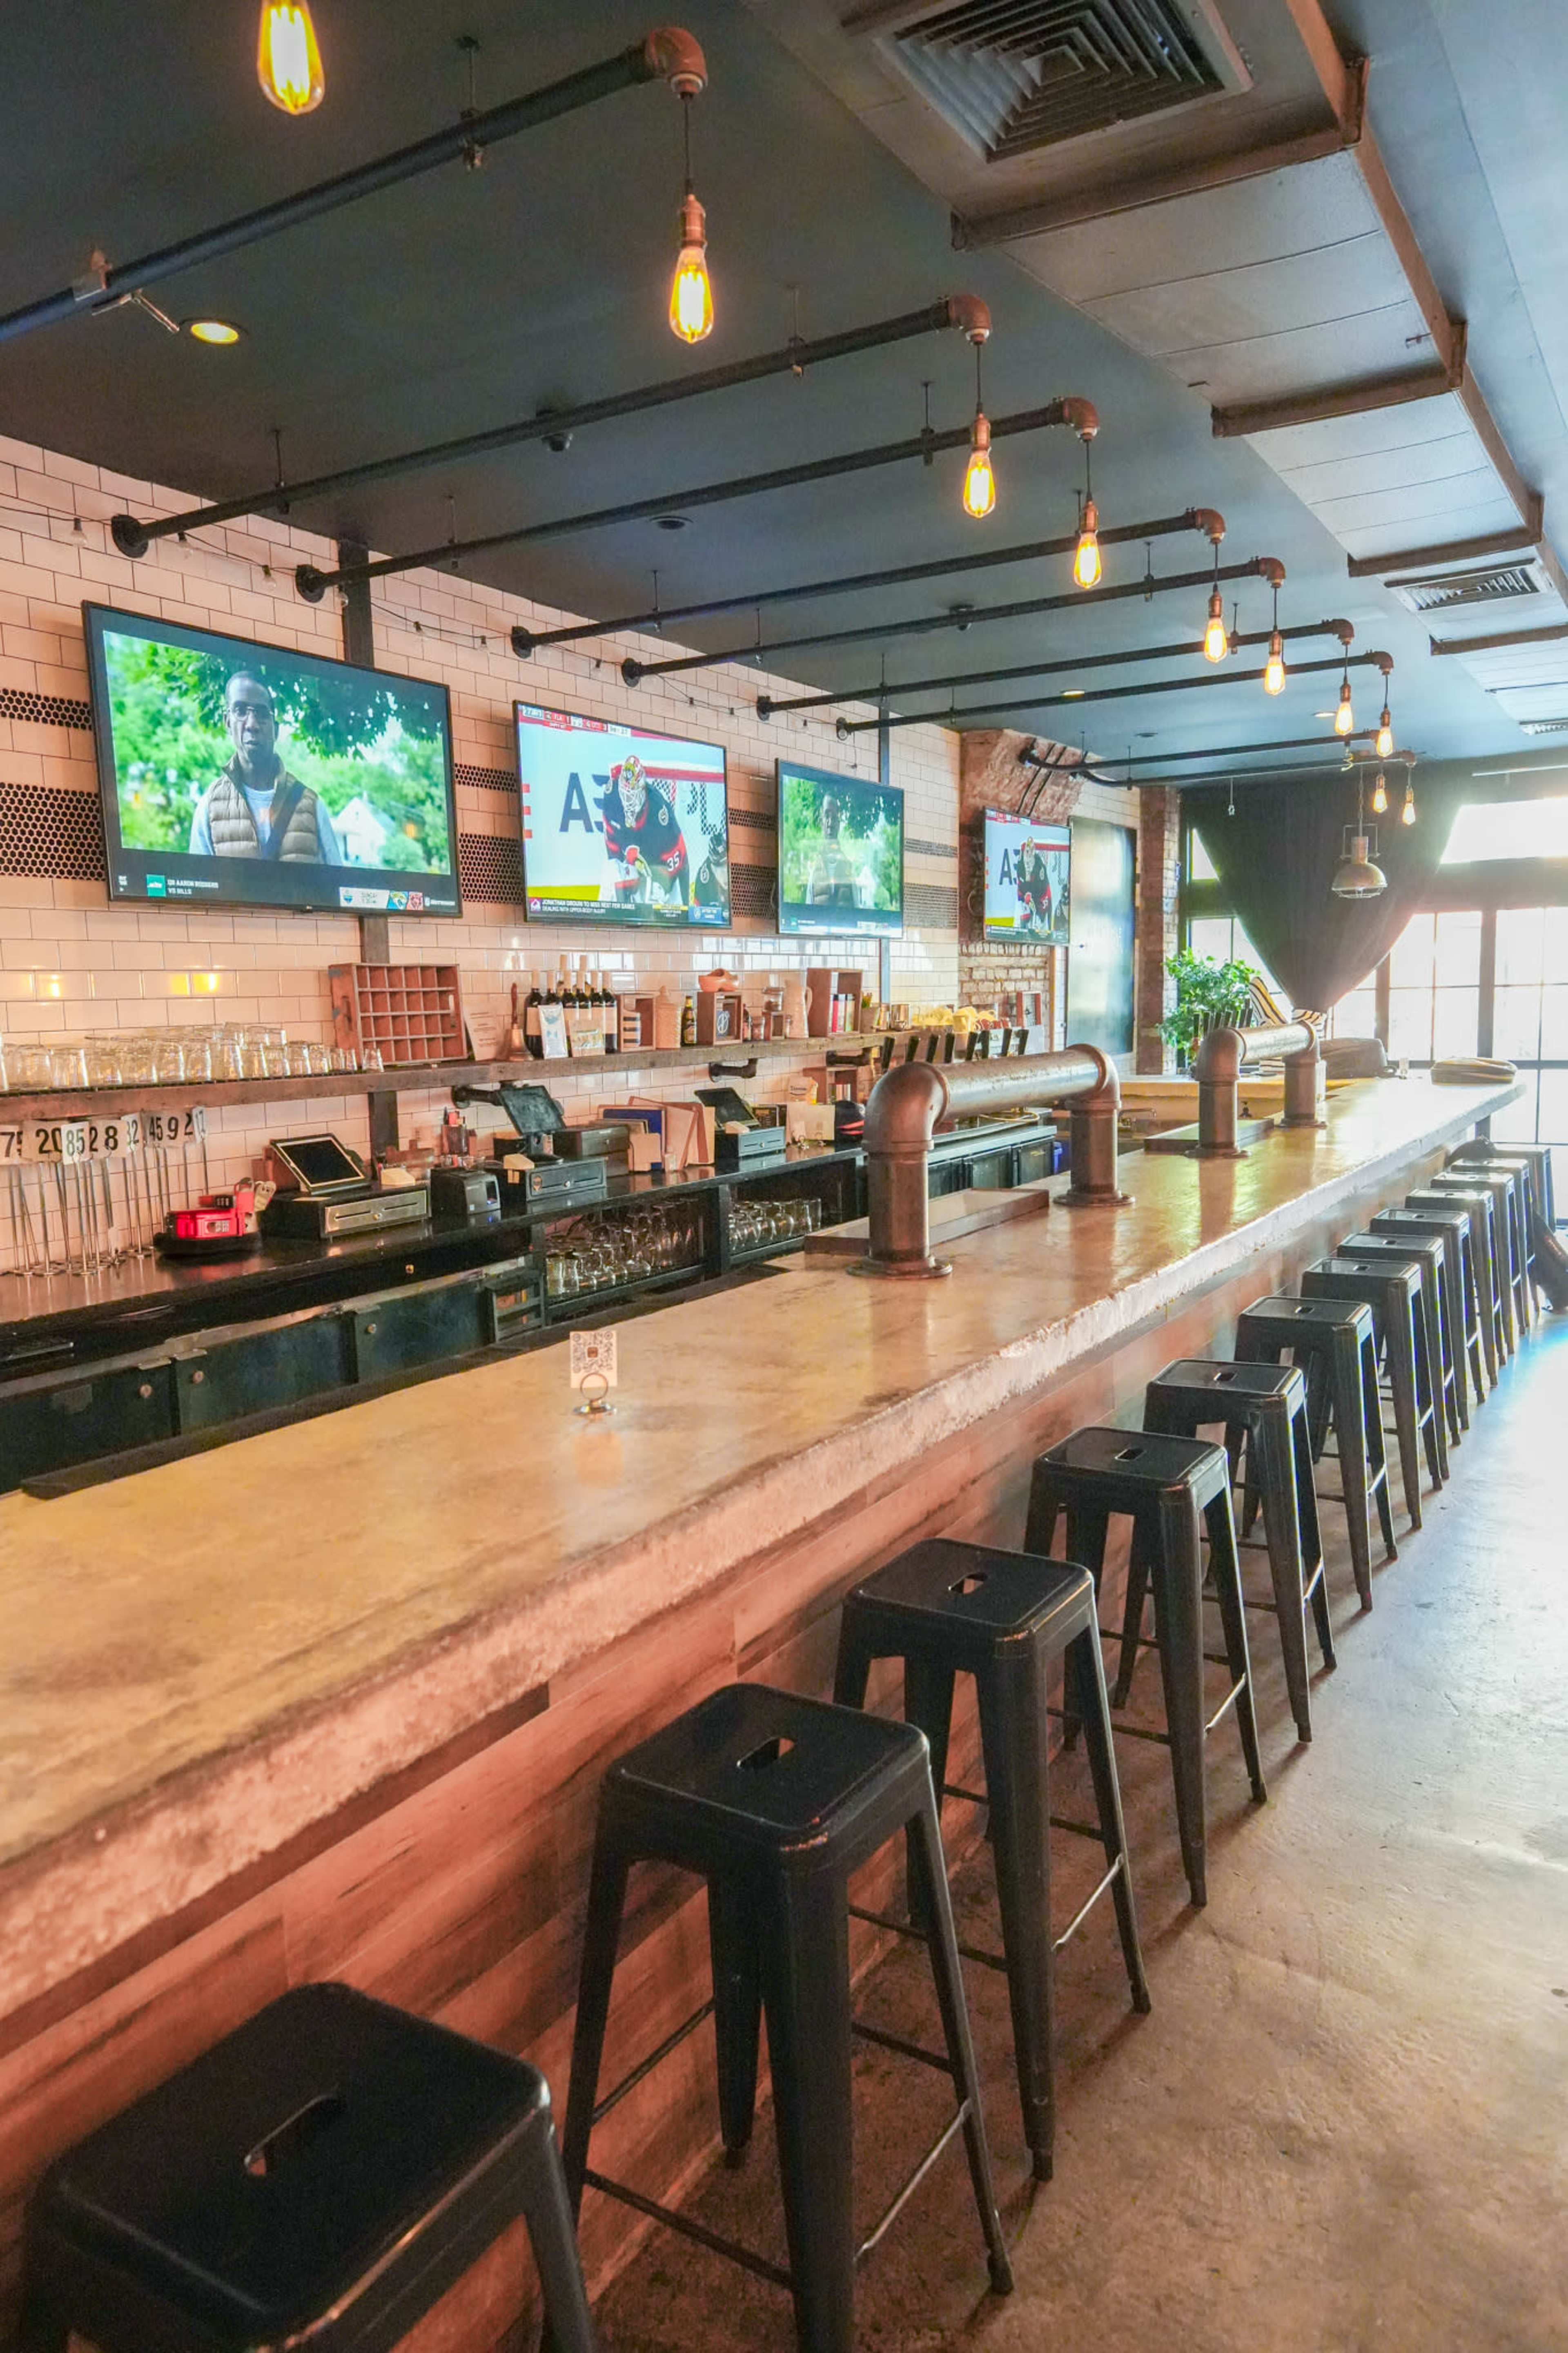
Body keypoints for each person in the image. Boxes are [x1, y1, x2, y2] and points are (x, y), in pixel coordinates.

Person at [189, 672, 344, 862]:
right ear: (227, 723)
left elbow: (336, 887)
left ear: (276, 730)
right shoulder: (209, 807)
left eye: (262, 714)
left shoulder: (311, 805)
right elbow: (200, 891)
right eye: (240, 711)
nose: (252, 724)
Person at [599, 754, 689, 909]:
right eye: (625, 794)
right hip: (635, 865)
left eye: (632, 794)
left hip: (662, 868)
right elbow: (612, 849)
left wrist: (661, 881)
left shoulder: (658, 811)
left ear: (642, 789)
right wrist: (626, 873)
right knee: (609, 875)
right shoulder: (611, 796)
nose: (628, 800)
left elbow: (678, 856)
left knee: (660, 901)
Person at [805, 794, 864, 909]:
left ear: (839, 823)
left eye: (834, 817)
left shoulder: (849, 870)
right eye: (827, 816)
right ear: (822, 821)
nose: (830, 823)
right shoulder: (814, 871)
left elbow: (857, 912)